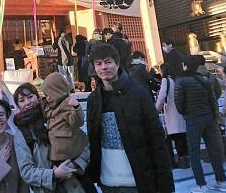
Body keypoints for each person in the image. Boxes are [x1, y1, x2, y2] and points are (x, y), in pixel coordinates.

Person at [87, 43, 174, 193]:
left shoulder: (138, 94)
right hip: (107, 181)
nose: (103, 67)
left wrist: (165, 184)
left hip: (138, 180)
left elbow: (156, 139)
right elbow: (93, 140)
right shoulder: (94, 100)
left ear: (117, 63)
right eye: (98, 64)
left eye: (108, 62)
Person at [12, 83, 92, 193]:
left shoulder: (58, 114)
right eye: (22, 100)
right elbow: (26, 172)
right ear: (18, 106)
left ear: (38, 97)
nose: (27, 102)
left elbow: (84, 143)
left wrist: (75, 164)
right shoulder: (22, 134)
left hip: (77, 185)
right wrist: (54, 174)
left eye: (30, 97)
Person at [174, 55, 226, 193]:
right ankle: (221, 181)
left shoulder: (181, 80)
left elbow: (178, 102)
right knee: (214, 150)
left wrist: (185, 113)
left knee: (194, 152)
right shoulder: (205, 80)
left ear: (186, 65)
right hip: (208, 117)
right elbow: (212, 99)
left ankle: (201, 185)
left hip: (193, 118)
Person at [40, 72, 95, 192]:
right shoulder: (51, 106)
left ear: (57, 91)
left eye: (49, 94)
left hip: (68, 148)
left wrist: (76, 108)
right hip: (58, 148)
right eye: (46, 95)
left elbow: (77, 121)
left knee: (80, 179)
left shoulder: (66, 104)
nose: (48, 98)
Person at [155, 63, 189, 169]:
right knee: (182, 138)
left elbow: (162, 96)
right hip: (179, 113)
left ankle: (176, 162)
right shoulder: (176, 79)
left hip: (171, 113)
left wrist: (156, 109)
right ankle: (186, 161)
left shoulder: (165, 80)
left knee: (172, 139)